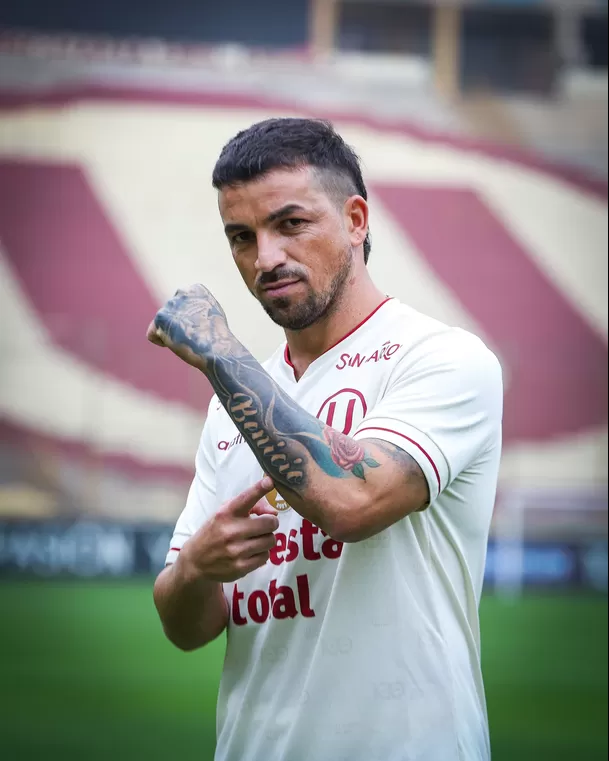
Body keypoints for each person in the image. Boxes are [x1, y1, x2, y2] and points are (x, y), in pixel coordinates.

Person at [148, 117, 503, 761]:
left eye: (290, 223)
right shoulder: (234, 402)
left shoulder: (443, 358)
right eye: (241, 236)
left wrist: (220, 352)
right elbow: (186, 626)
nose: (265, 258)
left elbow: (351, 501)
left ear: (357, 220)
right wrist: (199, 566)